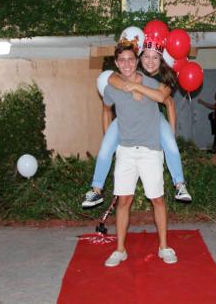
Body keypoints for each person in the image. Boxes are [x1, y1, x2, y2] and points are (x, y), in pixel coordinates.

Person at [82, 35, 192, 208]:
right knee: (105, 148)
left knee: (171, 145)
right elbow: (111, 78)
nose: (150, 61)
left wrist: (170, 134)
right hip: (126, 119)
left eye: (155, 57)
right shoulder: (132, 65)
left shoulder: (167, 76)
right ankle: (96, 190)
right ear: (140, 57)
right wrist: (126, 85)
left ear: (161, 59)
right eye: (146, 56)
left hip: (153, 118)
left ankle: (180, 184)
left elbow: (166, 100)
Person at [102, 41, 177, 267]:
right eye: (122, 60)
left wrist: (136, 87)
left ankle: (164, 247)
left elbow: (165, 99)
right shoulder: (111, 86)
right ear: (116, 63)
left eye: (131, 60)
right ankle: (120, 250)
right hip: (125, 150)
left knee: (158, 199)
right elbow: (106, 109)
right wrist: (109, 139)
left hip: (150, 149)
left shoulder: (151, 81)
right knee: (123, 201)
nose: (127, 64)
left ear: (137, 62)